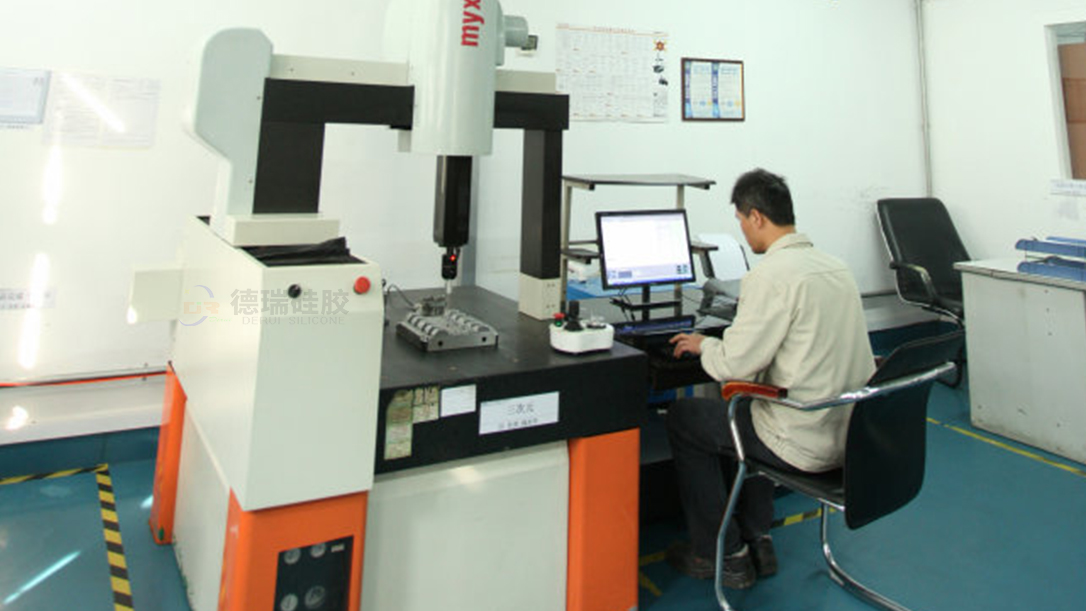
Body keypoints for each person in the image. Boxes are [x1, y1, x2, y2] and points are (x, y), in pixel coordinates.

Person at [665, 168, 875, 588]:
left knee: (685, 418)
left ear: (757, 217)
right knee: (754, 407)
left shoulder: (770, 276)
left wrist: (704, 345)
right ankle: (758, 537)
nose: (742, 231)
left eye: (741, 221)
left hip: (802, 442)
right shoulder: (836, 268)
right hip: (850, 439)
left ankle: (722, 554)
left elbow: (734, 365)